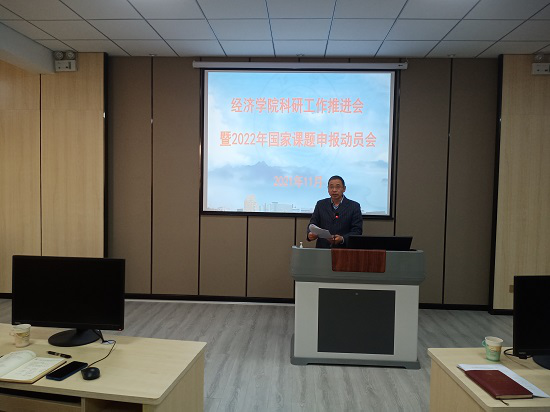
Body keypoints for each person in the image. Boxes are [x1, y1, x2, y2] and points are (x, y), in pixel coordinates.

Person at [307, 175, 362, 248]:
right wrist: (310, 234)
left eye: (338, 187)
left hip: (344, 250)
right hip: (323, 248)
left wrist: (342, 239)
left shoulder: (354, 206)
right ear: (328, 189)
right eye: (331, 187)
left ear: (344, 189)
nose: (334, 190)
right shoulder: (321, 204)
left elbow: (357, 231)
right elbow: (313, 224)